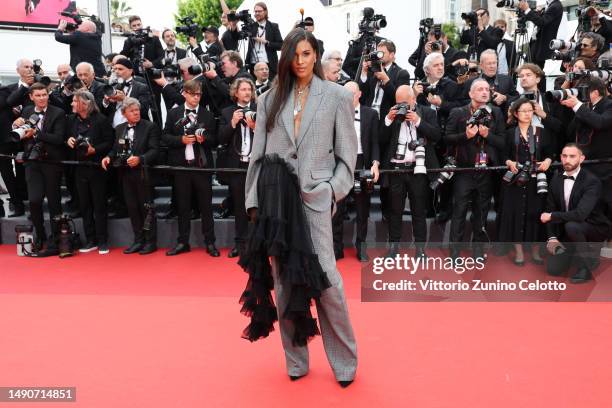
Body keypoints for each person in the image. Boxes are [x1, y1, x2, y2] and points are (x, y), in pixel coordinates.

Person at [243, 28, 358, 387]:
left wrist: (330, 190)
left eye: (307, 54)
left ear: (316, 56)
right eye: (295, 54)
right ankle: (296, 360)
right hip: (276, 202)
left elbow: (348, 158)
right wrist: (253, 201)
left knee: (328, 282)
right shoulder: (268, 99)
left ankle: (345, 362)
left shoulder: (337, 96)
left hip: (314, 200)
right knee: (284, 281)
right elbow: (258, 156)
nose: (301, 61)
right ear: (286, 58)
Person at [445, 78, 505, 260]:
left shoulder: (496, 112)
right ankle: (454, 253)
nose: (485, 92)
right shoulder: (458, 112)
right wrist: (465, 136)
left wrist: (488, 135)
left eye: (487, 89)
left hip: (485, 171)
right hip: (464, 170)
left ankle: (478, 250)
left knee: (481, 212)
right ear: (470, 93)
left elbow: (502, 142)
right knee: (459, 212)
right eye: (480, 89)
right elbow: (446, 139)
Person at [162, 80, 219, 257]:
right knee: (183, 206)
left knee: (206, 207)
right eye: (193, 94)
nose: (196, 97)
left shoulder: (207, 115)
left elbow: (215, 140)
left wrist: (205, 140)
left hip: (201, 167)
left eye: (199, 94)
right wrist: (181, 140)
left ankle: (210, 242)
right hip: (181, 167)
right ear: (184, 93)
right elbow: (164, 137)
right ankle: (182, 242)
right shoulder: (173, 114)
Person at [382, 84, 441, 258]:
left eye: (405, 103)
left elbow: (437, 136)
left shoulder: (427, 113)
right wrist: (388, 119)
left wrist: (418, 121)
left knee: (419, 210)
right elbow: (381, 138)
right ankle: (393, 247)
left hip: (419, 168)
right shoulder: (391, 113)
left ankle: (420, 249)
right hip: (396, 169)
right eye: (398, 102)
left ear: (414, 100)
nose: (402, 107)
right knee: (395, 210)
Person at [541, 143, 611, 283]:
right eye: (564, 156)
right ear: (560, 157)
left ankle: (586, 266)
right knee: (553, 270)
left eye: (572, 156)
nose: (567, 160)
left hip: (593, 226)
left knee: (572, 226)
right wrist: (552, 237)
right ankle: (575, 252)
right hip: (567, 227)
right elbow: (549, 210)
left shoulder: (592, 181)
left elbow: (580, 214)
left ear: (581, 158)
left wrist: (553, 216)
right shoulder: (556, 179)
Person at [12, 83, 66, 255]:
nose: (42, 98)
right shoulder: (27, 111)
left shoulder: (58, 113)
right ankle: (41, 236)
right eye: (39, 95)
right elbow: (21, 136)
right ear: (31, 97)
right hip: (33, 163)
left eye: (45, 94)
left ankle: (56, 239)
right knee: (34, 201)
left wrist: (35, 133)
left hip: (51, 163)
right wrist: (16, 125)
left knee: (54, 202)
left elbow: (58, 139)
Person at [498, 98, 553, 265]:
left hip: (536, 178)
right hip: (515, 179)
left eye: (530, 110)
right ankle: (519, 251)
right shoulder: (509, 133)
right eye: (523, 111)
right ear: (516, 113)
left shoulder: (540, 132)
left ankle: (535, 251)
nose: (527, 114)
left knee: (535, 212)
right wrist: (508, 162)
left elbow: (551, 152)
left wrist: (548, 160)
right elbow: (503, 155)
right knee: (514, 213)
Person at [101, 98, 159, 255]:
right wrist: (108, 157)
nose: (136, 113)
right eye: (132, 111)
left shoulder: (150, 127)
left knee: (146, 208)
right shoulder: (119, 128)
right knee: (132, 208)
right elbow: (115, 149)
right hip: (125, 174)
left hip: (143, 174)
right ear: (124, 113)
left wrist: (140, 159)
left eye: (137, 110)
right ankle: (138, 240)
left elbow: (155, 150)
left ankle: (150, 241)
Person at [332, 81, 380, 261]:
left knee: (363, 210)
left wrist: (375, 163)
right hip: (341, 164)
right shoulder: (335, 113)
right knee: (337, 210)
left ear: (359, 94)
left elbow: (375, 142)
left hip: (362, 163)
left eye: (350, 93)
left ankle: (361, 247)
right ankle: (337, 248)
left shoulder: (370, 114)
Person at [66, 90, 114, 254]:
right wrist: (69, 140)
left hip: (96, 168)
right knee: (84, 205)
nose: (72, 103)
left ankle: (102, 240)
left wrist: (95, 150)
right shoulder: (71, 120)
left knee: (99, 205)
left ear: (85, 104)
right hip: (79, 167)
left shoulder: (101, 120)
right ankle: (90, 240)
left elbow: (109, 142)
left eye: (75, 101)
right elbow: (65, 137)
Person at [561, 76, 612, 231]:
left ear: (595, 92)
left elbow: (601, 123)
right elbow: (569, 132)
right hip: (586, 166)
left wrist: (578, 106)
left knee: (606, 203)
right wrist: (577, 109)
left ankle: (609, 240)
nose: (577, 94)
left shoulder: (609, 105)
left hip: (604, 166)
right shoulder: (586, 108)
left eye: (582, 91)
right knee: (590, 205)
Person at [219, 78, 257, 258]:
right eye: (243, 89)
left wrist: (255, 127)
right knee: (240, 206)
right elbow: (220, 139)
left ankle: (258, 244)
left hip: (256, 165)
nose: (247, 92)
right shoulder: (227, 112)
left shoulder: (259, 110)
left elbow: (271, 135)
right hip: (236, 165)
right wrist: (232, 123)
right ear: (236, 92)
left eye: (249, 89)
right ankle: (240, 244)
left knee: (258, 205)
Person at [518, 0, 563, 69]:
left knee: (535, 73)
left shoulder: (556, 6)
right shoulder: (549, 5)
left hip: (541, 46)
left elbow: (542, 22)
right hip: (536, 44)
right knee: (528, 69)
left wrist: (527, 10)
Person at [246, 2, 283, 78]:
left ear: (265, 12)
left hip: (269, 64)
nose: (257, 13)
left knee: (270, 88)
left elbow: (281, 45)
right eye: (255, 11)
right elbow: (237, 35)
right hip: (254, 64)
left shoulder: (273, 26)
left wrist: (266, 42)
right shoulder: (251, 26)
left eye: (259, 11)